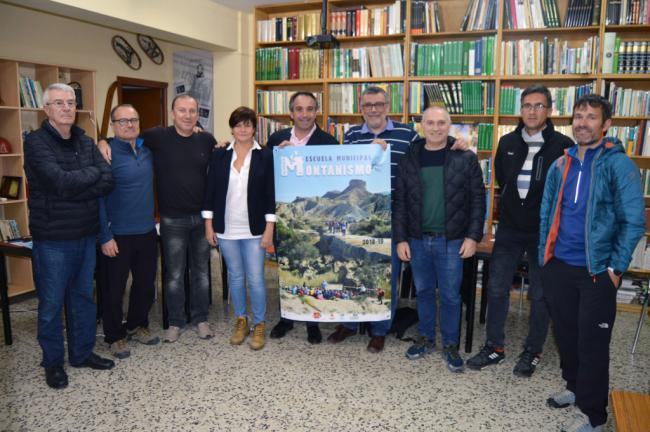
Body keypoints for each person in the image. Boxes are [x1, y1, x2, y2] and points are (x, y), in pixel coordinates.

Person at [328, 86, 468, 353]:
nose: (373, 109)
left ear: (387, 105)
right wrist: (365, 154)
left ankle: (380, 329)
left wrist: (457, 142)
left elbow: (432, 146)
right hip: (359, 217)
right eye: (368, 105)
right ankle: (349, 324)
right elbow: (343, 169)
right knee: (352, 270)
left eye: (379, 104)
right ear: (361, 107)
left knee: (386, 276)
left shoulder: (406, 134)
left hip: (396, 217)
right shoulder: (352, 135)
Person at [540, 95, 645, 432]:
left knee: (593, 344)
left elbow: (633, 222)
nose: (582, 123)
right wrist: (546, 254)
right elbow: (547, 213)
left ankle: (594, 415)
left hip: (597, 271)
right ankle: (574, 388)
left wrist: (615, 267)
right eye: (578, 116)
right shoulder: (562, 163)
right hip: (560, 266)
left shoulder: (619, 165)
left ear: (606, 124)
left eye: (591, 117)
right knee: (567, 337)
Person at [466, 85, 574, 377]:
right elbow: (504, 180)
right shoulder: (508, 142)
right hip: (511, 228)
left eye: (538, 105)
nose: (531, 111)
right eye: (527, 105)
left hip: (544, 231)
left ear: (549, 110)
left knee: (540, 294)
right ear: (521, 109)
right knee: (498, 288)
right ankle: (494, 347)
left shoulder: (563, 145)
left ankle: (533, 351)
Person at [99, 95, 216, 343]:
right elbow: (121, 140)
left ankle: (191, 319)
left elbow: (218, 163)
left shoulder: (200, 140)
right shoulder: (152, 139)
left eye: (192, 111)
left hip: (177, 223)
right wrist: (101, 142)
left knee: (187, 277)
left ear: (198, 115)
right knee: (163, 278)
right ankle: (161, 325)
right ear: (172, 113)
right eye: (181, 110)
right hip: (154, 224)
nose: (187, 115)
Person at [24, 83, 115, 389]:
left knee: (82, 300)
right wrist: (84, 179)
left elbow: (107, 180)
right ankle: (52, 363)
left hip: (85, 235)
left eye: (71, 102)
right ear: (46, 109)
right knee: (51, 305)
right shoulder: (36, 143)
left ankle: (81, 353)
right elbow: (59, 182)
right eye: (59, 103)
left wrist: (77, 184)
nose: (66, 108)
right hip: (53, 239)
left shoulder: (85, 141)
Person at [393, 106, 485, 372]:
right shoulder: (410, 157)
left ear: (449, 125)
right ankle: (425, 338)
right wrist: (401, 239)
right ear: (422, 125)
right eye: (430, 122)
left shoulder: (464, 157)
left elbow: (478, 200)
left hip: (452, 240)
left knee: (450, 296)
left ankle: (451, 345)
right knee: (422, 292)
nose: (435, 128)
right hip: (417, 239)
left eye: (441, 123)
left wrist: (472, 237)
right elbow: (399, 202)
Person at [266, 91, 339, 345]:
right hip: (285, 217)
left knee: (314, 268)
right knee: (287, 269)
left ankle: (312, 321)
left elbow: (334, 182)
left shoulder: (329, 142)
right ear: (291, 113)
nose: (304, 114)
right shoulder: (276, 139)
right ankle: (287, 317)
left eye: (309, 109)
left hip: (314, 220)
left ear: (316, 112)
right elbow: (265, 177)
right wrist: (277, 157)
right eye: (299, 109)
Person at [203, 106, 276, 350]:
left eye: (247, 124)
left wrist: (269, 229)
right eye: (238, 124)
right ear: (232, 128)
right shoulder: (220, 154)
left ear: (254, 128)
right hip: (226, 228)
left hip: (255, 228)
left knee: (255, 278)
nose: (243, 129)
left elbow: (270, 195)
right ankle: (241, 320)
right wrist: (208, 224)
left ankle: (259, 324)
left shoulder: (265, 156)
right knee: (235, 277)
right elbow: (210, 191)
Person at [98, 104, 159, 359]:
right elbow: (97, 198)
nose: (129, 125)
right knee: (113, 288)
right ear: (113, 125)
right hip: (117, 234)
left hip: (146, 231)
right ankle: (114, 335)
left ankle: (136, 324)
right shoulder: (105, 154)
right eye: (122, 121)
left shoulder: (147, 150)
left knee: (145, 284)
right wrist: (104, 235)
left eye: (133, 120)